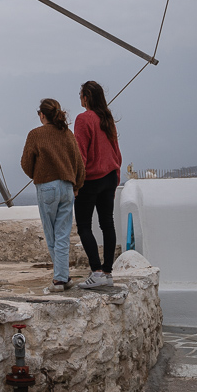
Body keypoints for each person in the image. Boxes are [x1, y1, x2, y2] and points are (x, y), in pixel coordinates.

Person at [21, 98, 85, 292]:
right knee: (63, 235)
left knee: (51, 235)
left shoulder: (35, 134)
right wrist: (77, 185)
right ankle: (64, 277)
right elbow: (79, 163)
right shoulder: (67, 134)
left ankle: (59, 280)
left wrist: (38, 174)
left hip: (47, 187)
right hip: (67, 187)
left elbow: (26, 163)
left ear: (42, 115)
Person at [73, 80, 122, 289]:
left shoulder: (83, 119)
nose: (80, 98)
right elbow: (116, 152)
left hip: (91, 180)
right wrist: (116, 178)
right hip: (110, 177)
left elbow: (80, 154)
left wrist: (76, 183)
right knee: (107, 223)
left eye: (81, 95)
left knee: (84, 226)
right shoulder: (107, 118)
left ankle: (97, 271)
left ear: (86, 98)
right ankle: (108, 272)